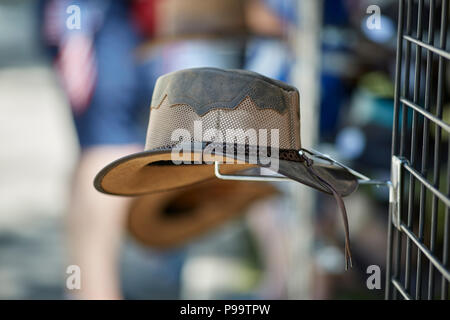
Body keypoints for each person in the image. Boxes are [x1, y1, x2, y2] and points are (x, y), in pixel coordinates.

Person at [42, 0, 248, 299]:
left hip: (137, 17)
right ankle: (94, 291)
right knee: (107, 148)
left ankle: (93, 288)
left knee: (124, 144)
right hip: (98, 16)